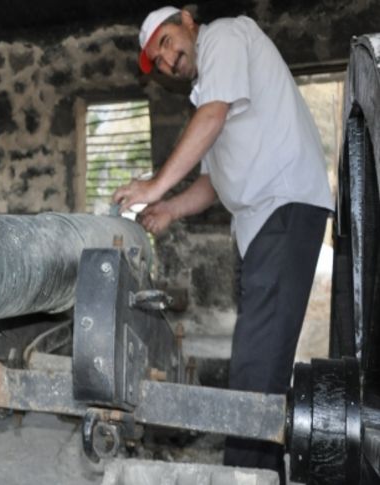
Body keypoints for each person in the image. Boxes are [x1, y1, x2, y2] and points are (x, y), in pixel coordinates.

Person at [113, 6, 333, 483]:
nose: (169, 60)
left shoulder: (227, 38)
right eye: (160, 58)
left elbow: (212, 118)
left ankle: (245, 477)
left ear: (188, 22)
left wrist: (152, 186)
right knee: (259, 365)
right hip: (262, 222)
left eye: (169, 42)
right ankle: (261, 472)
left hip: (283, 206)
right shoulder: (209, 91)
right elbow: (213, 183)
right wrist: (169, 207)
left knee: (255, 367)